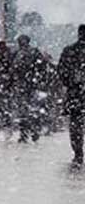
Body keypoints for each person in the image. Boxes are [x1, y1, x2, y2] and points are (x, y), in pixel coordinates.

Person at [57, 24, 85, 168]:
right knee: (76, 126)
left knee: (76, 127)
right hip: (76, 94)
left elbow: (61, 71)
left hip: (76, 95)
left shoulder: (69, 51)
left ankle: (78, 153)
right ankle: (78, 153)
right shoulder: (70, 51)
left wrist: (71, 81)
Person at [11, 34, 47, 143]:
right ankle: (32, 132)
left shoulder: (19, 54)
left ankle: (26, 133)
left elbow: (12, 69)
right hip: (30, 85)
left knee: (25, 111)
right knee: (31, 110)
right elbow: (42, 68)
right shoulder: (33, 52)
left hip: (25, 86)